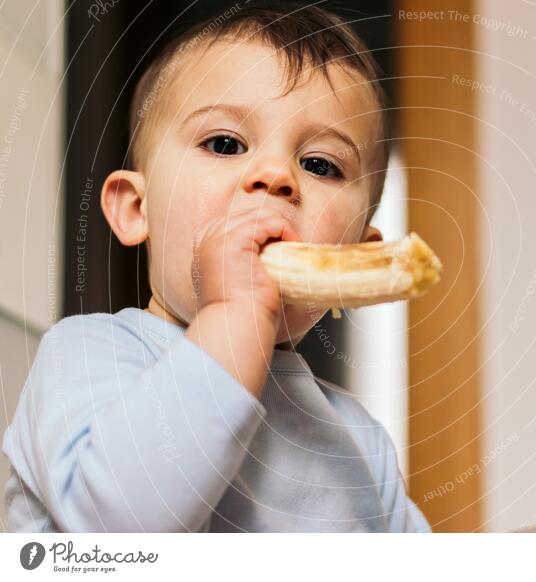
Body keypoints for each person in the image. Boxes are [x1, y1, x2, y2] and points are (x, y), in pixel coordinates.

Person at [2, 2, 430, 533]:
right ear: (138, 210)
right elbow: (117, 534)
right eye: (224, 144)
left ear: (358, 253)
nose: (275, 175)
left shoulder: (360, 442)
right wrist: (234, 315)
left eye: (320, 164)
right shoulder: (87, 358)